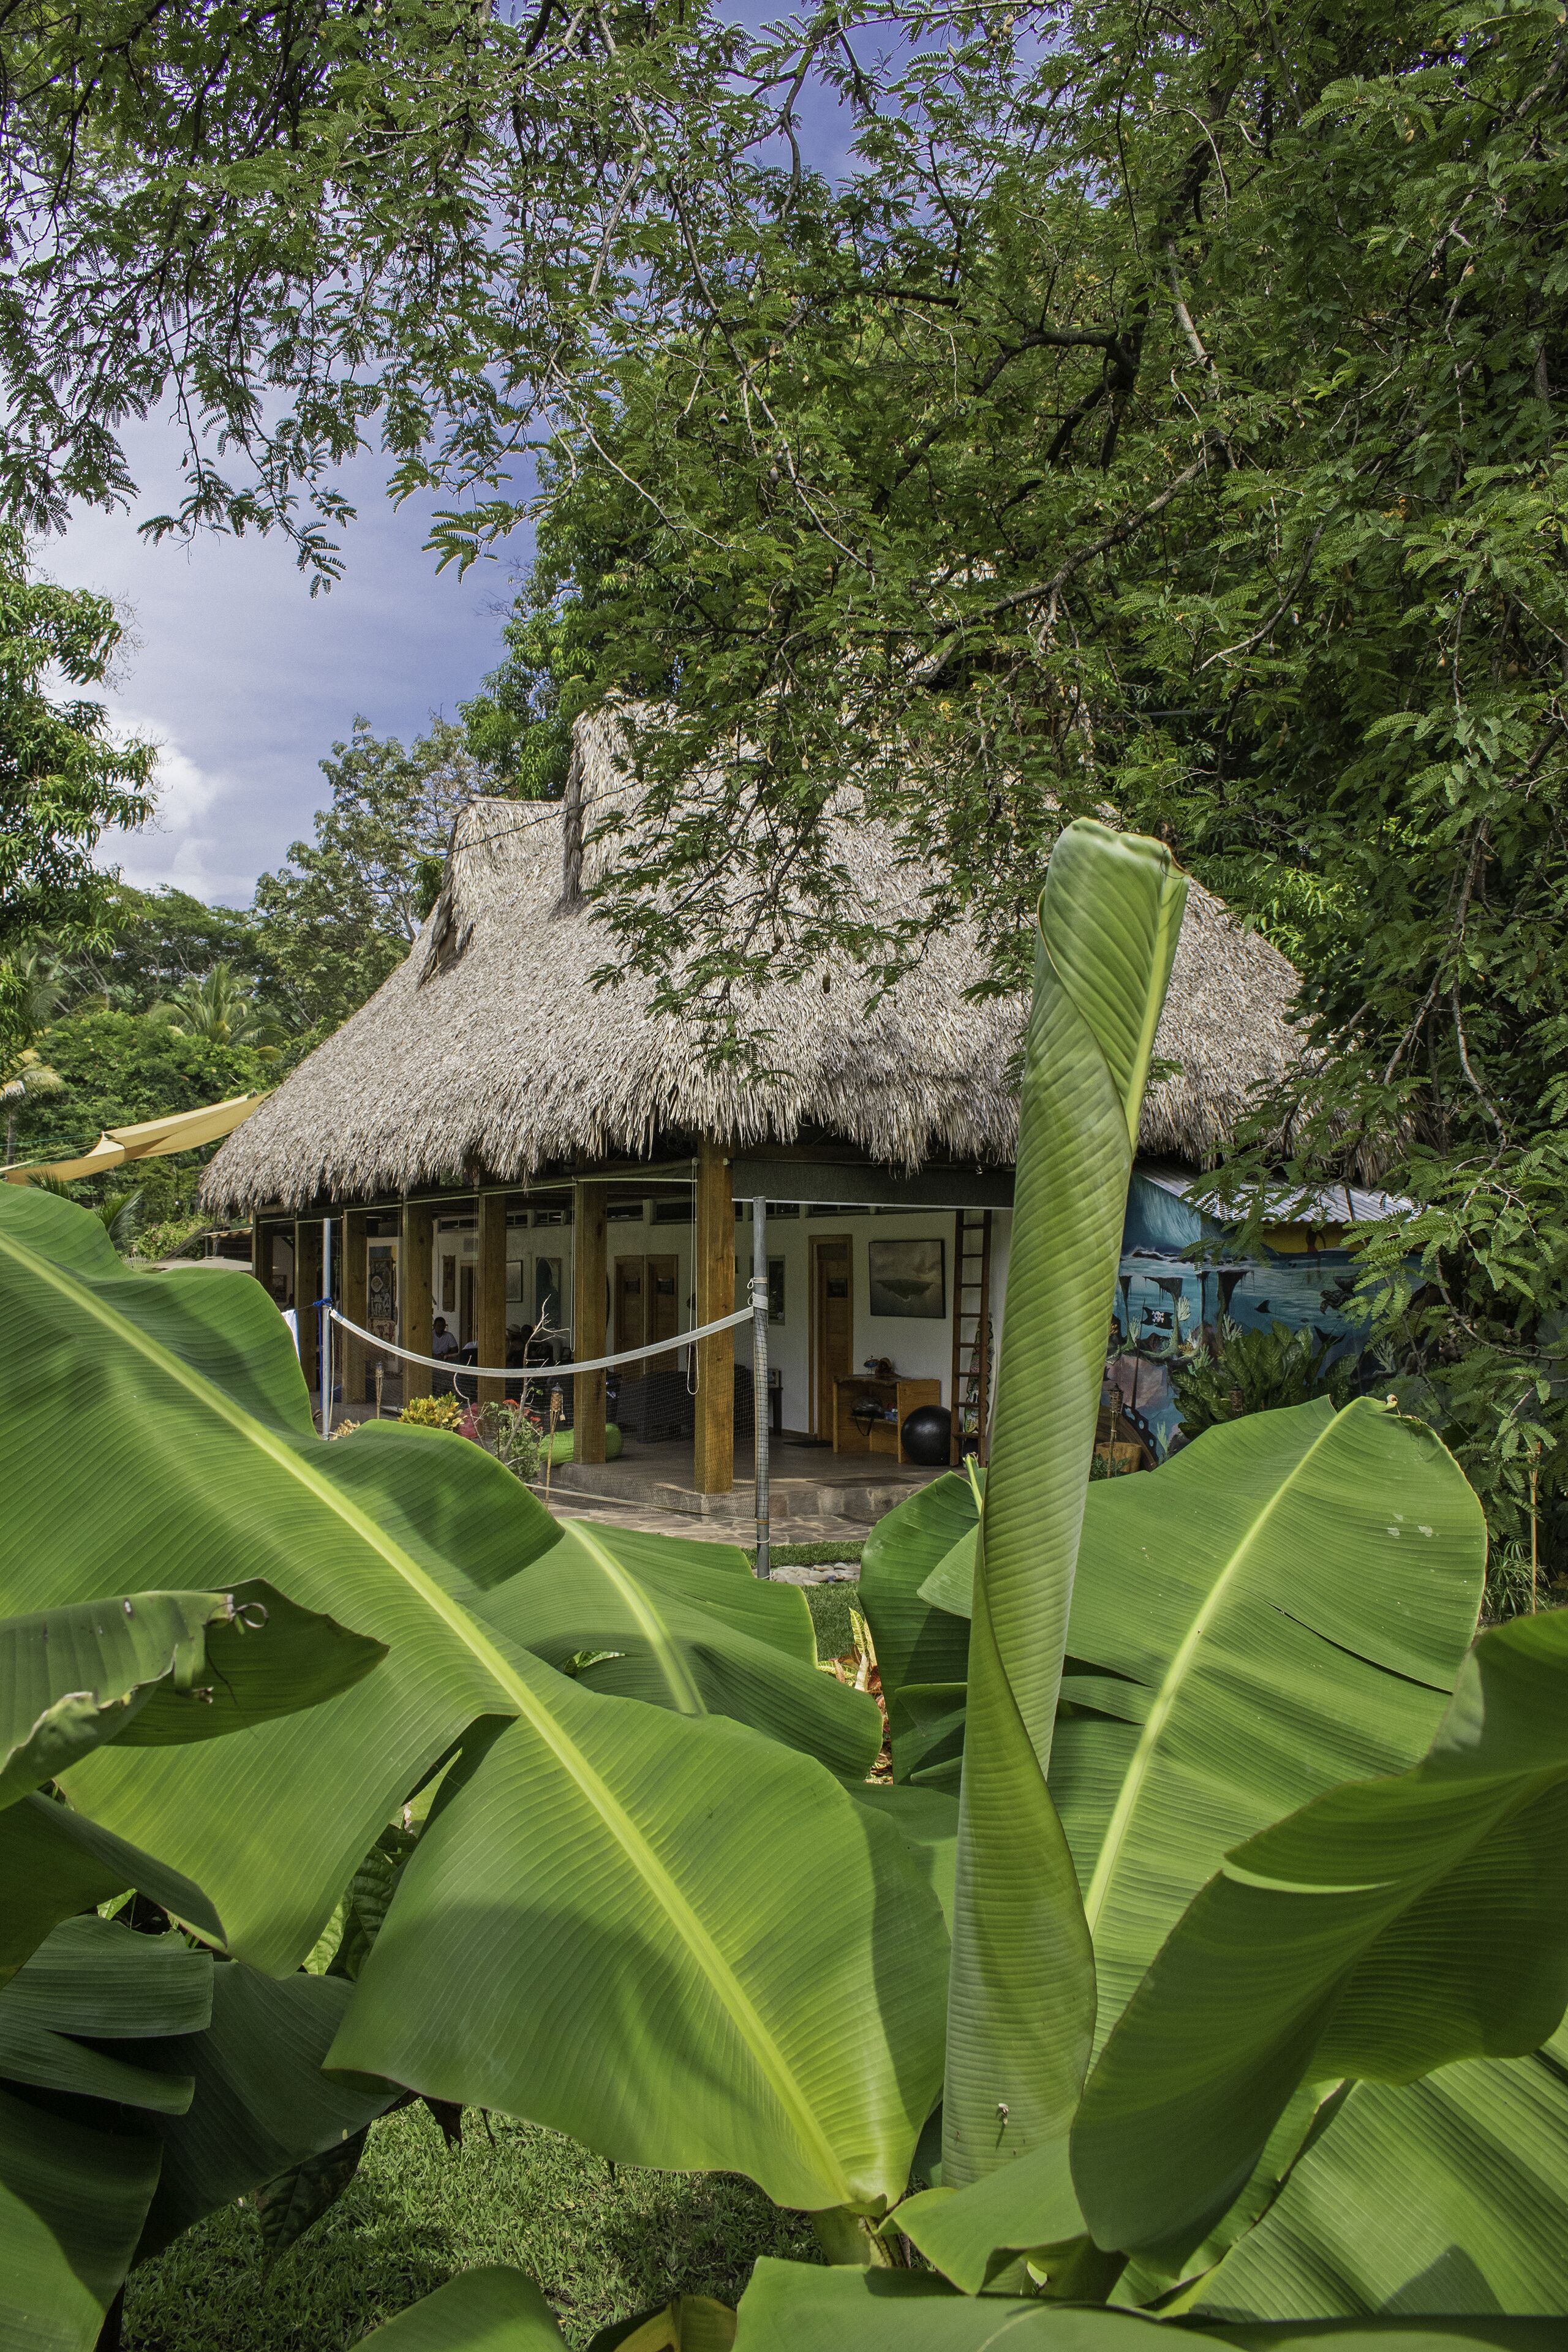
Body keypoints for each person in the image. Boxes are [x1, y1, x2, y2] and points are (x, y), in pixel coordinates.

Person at [431, 1314, 460, 1394]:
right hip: (432, 1360)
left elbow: (455, 1349)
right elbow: (424, 1348)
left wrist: (446, 1354)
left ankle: (446, 1393)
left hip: (445, 1359)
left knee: (448, 1378)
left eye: (443, 1326)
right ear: (434, 1326)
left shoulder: (449, 1336)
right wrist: (434, 1356)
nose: (441, 1328)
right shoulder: (430, 1335)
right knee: (433, 1379)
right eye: (439, 1326)